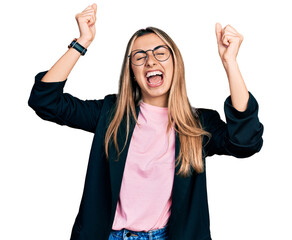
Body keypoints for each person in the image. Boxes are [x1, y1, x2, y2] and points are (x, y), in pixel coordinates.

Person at [28, 3, 264, 240]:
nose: (151, 61)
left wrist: (230, 63)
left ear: (175, 62)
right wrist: (83, 41)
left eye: (160, 53)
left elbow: (245, 142)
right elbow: (45, 101)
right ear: (131, 70)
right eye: (140, 57)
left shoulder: (198, 124)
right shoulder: (111, 114)